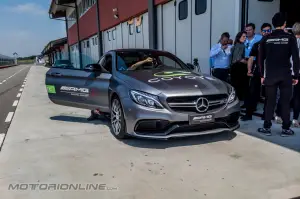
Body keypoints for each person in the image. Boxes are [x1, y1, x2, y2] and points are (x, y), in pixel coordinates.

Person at [258, 12, 300, 137]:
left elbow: (260, 59)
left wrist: (261, 75)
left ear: (273, 24)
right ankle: (286, 129)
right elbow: (296, 58)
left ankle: (267, 127)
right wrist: (296, 76)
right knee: (285, 102)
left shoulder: (266, 38)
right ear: (284, 24)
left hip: (270, 75)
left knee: (270, 102)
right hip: (285, 75)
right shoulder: (290, 38)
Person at [241, 23, 272, 121]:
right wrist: (249, 69)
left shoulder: (274, 43)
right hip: (258, 71)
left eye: (268, 30)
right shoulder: (257, 44)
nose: (266, 32)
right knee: (252, 92)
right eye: (264, 31)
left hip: (270, 72)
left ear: (271, 31)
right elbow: (251, 57)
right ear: (261, 32)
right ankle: (248, 114)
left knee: (268, 94)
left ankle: (266, 115)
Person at [230, 31, 248, 100]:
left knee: (236, 86)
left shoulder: (235, 45)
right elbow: (238, 58)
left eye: (245, 36)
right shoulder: (240, 45)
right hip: (239, 68)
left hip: (234, 68)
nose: (245, 38)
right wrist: (248, 62)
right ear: (239, 37)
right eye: (243, 36)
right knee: (240, 86)